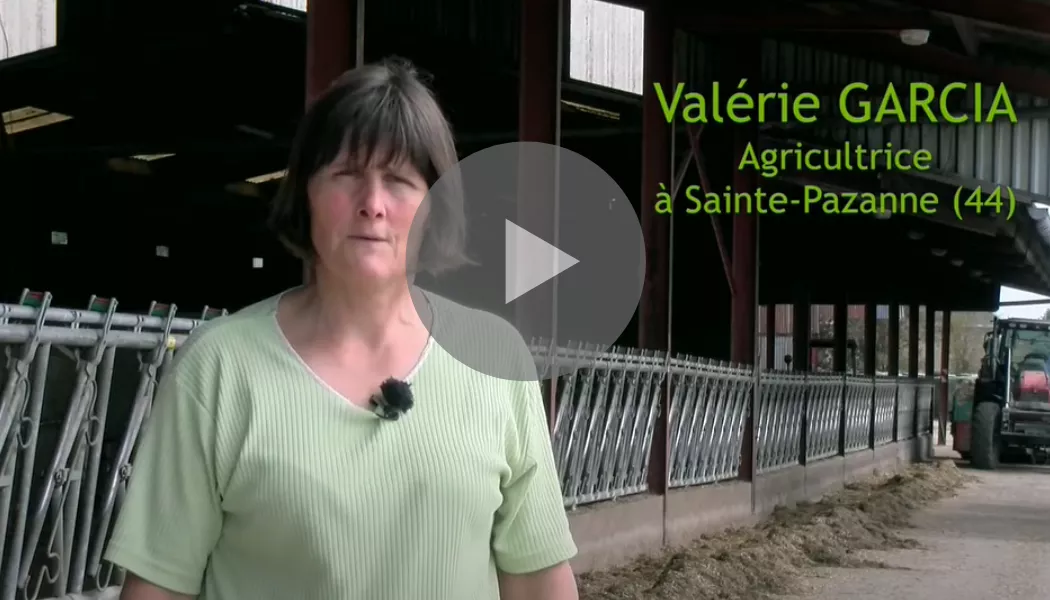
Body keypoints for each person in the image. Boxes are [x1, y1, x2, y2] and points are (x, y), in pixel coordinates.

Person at [107, 57, 579, 600]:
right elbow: (157, 587)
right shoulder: (219, 369)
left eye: (400, 181)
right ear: (305, 193)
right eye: (347, 175)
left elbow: (538, 578)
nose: (372, 205)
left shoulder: (494, 360)